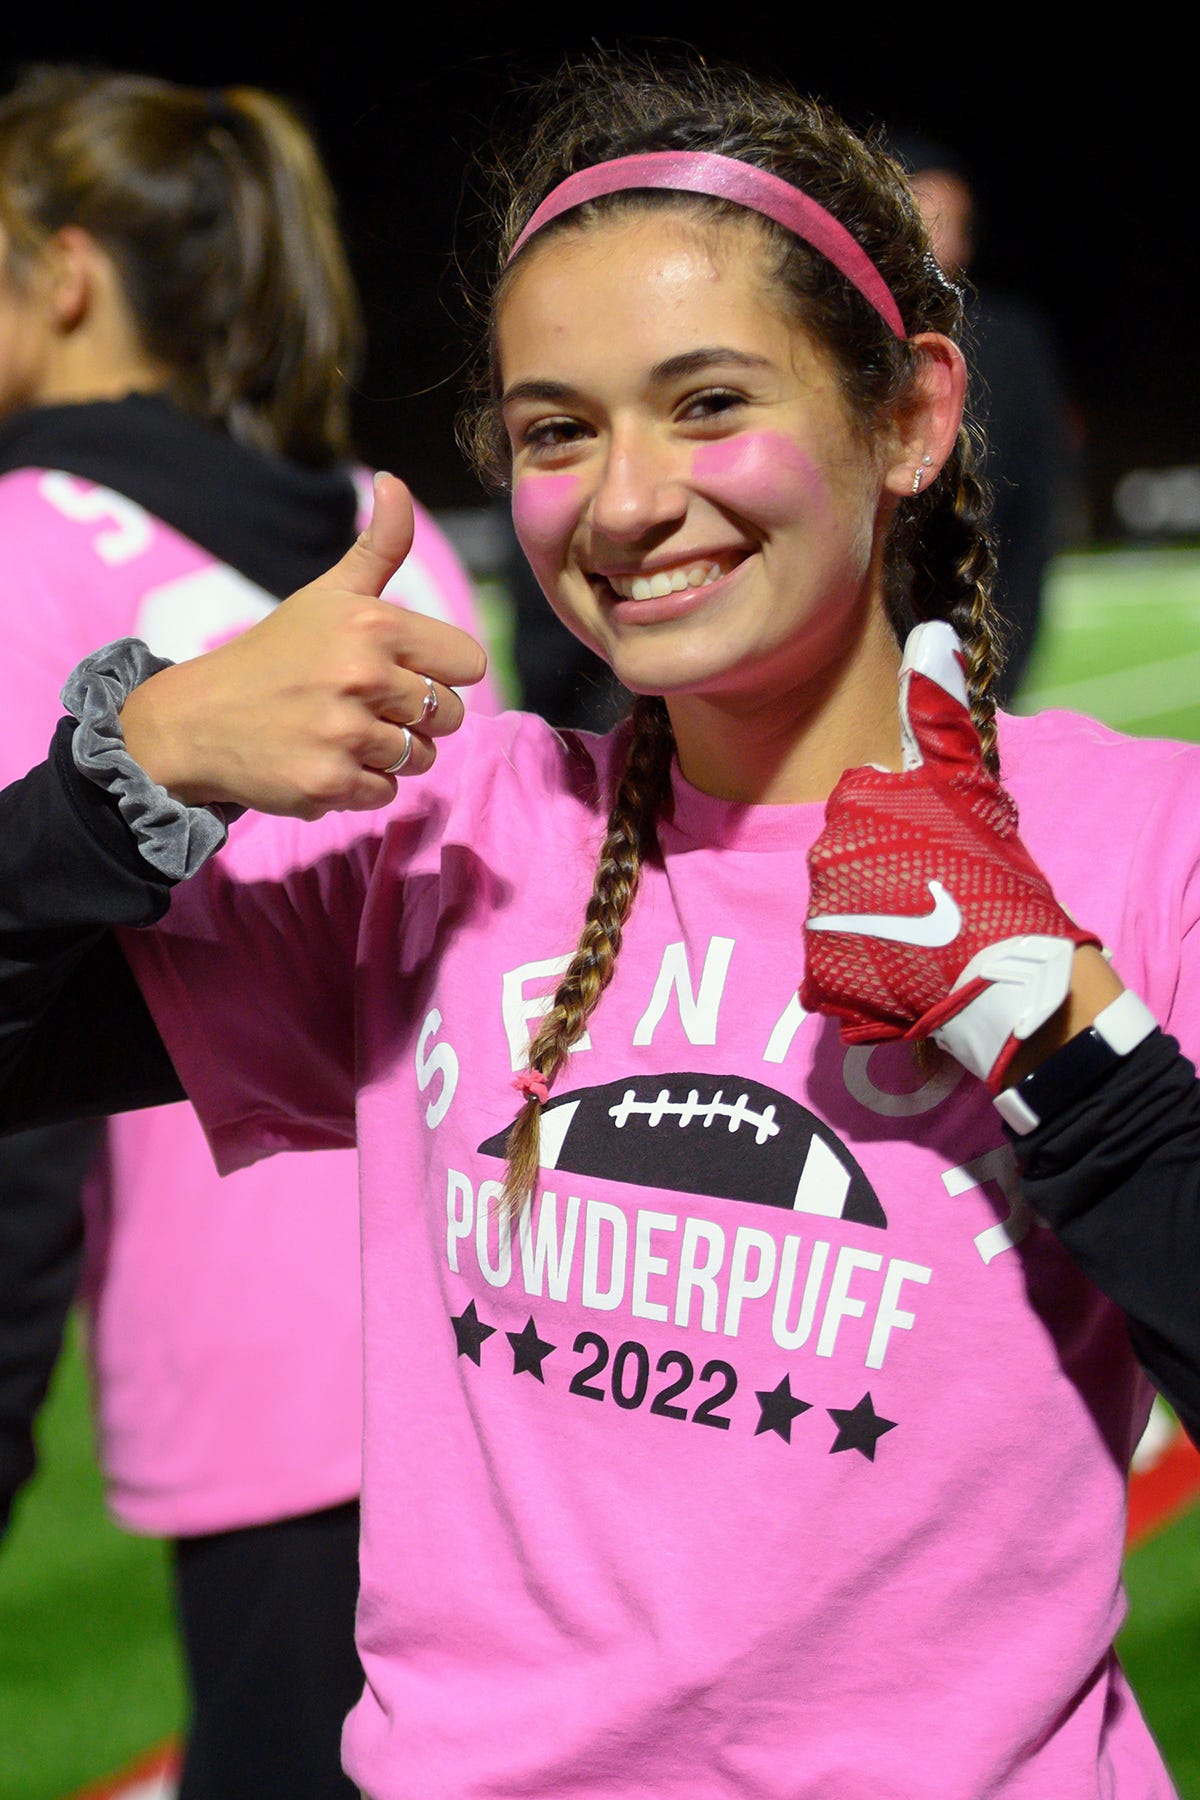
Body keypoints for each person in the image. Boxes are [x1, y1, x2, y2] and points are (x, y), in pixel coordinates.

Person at [1, 51, 1198, 1799]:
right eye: (559, 430)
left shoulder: (1142, 842)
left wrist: (1077, 1053)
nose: (626, 500)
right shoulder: (455, 842)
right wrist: (131, 773)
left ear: (910, 417)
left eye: (708, 402)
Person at [0, 63, 497, 1799]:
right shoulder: (385, 527)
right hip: (484, 1306)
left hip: (252, 1364)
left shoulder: (22, 545)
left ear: (66, 276)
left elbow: (18, 1057)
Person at [890, 131, 1077, 702]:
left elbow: (1037, 503)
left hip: (979, 619)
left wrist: (1005, 662)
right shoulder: (851, 337)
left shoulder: (1013, 337)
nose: (939, 237)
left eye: (953, 222)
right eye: (925, 218)